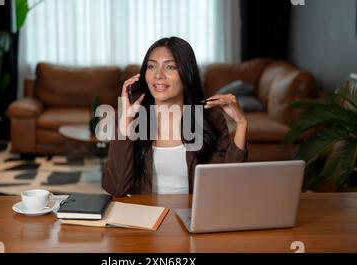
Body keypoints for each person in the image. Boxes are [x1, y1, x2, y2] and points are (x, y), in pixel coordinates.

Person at [102, 36, 248, 197]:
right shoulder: (129, 118)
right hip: (144, 215)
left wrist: (241, 123)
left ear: (186, 74)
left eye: (170, 67)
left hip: (191, 215)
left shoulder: (210, 119)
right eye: (151, 66)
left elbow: (226, 184)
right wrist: (126, 121)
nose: (158, 75)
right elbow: (117, 188)